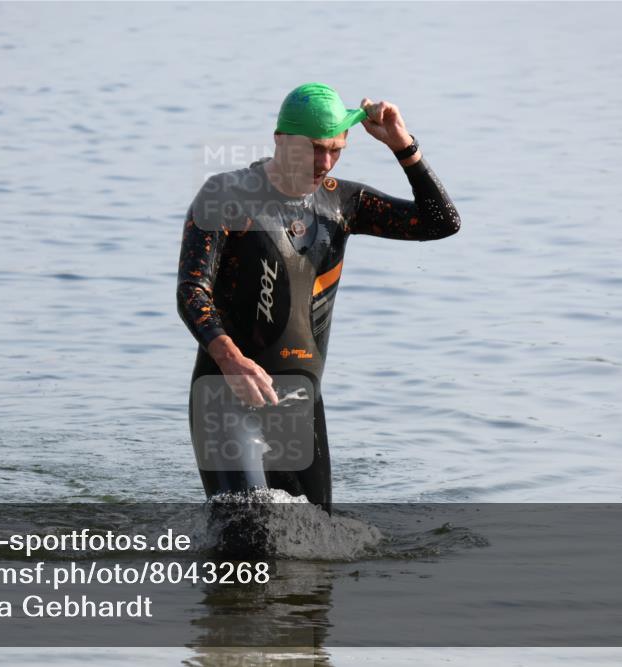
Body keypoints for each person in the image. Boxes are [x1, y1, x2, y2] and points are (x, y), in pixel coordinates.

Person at [177, 82, 461, 513]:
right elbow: (192, 292)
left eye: (335, 149)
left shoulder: (343, 203)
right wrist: (231, 360)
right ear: (280, 140)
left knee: (315, 545)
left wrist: (403, 147)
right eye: (313, 149)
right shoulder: (227, 195)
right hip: (224, 396)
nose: (324, 162)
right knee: (248, 531)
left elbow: (440, 222)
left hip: (299, 403)